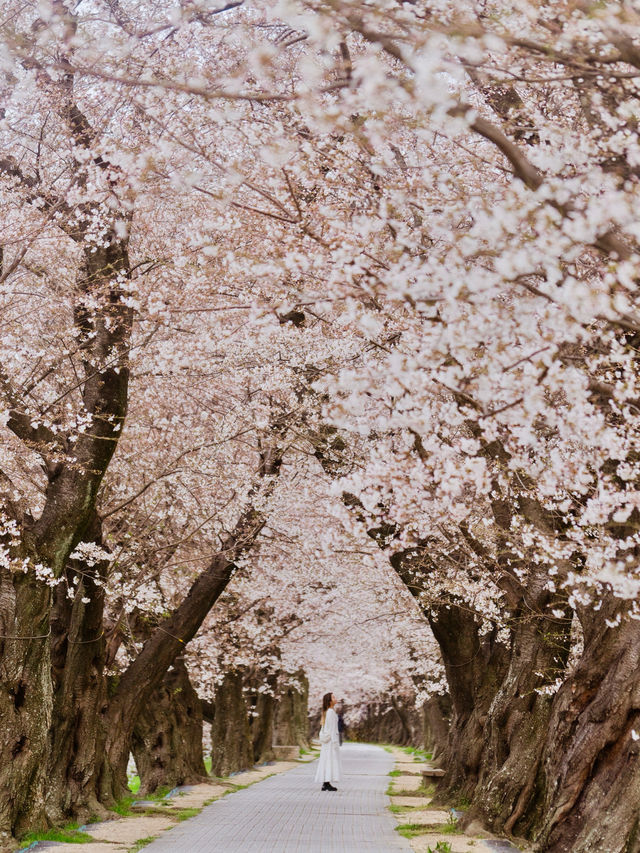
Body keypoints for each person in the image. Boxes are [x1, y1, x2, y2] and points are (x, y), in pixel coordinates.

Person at [315, 691, 341, 791]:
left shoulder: (329, 711)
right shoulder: (330, 712)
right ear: (329, 701)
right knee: (329, 760)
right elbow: (331, 729)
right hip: (330, 741)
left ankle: (326, 782)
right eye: (333, 697)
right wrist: (334, 742)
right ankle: (326, 782)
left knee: (328, 760)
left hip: (329, 741)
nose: (335, 699)